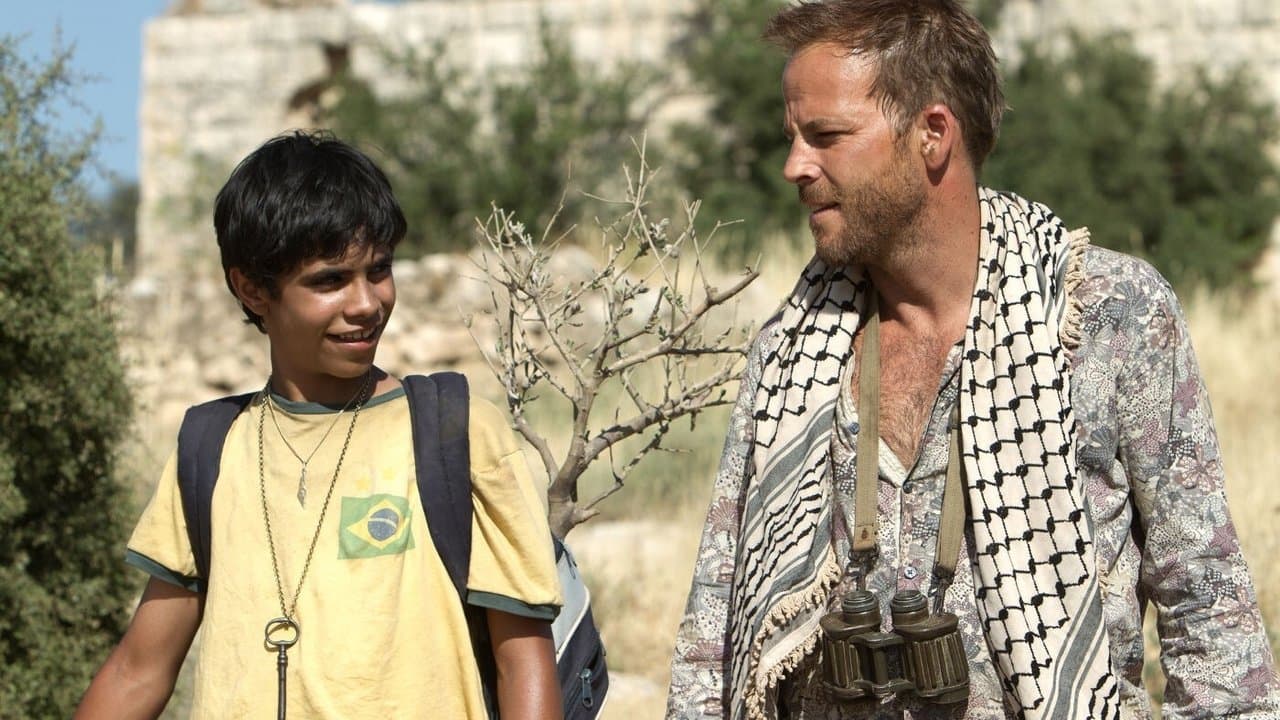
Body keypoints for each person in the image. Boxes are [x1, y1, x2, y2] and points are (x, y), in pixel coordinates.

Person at [666, 1, 1279, 718]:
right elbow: (715, 636)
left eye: (826, 136)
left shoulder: (1110, 316)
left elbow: (1209, 612)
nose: (794, 166)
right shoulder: (791, 350)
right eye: (794, 137)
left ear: (932, 134)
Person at [75, 131, 562, 719]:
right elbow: (138, 673)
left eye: (379, 270)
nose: (366, 303)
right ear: (252, 289)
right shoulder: (212, 447)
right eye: (330, 281)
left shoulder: (453, 432)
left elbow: (523, 661)